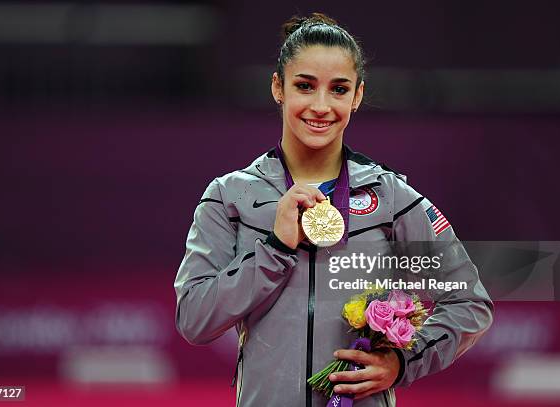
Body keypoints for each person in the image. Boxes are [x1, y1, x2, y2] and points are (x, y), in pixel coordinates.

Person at [174, 13, 493, 407]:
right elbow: (194, 320)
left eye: (338, 89)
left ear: (357, 96)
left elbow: (469, 302)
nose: (321, 106)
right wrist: (274, 247)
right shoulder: (230, 197)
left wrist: (402, 360)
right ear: (278, 88)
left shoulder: (390, 197)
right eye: (305, 86)